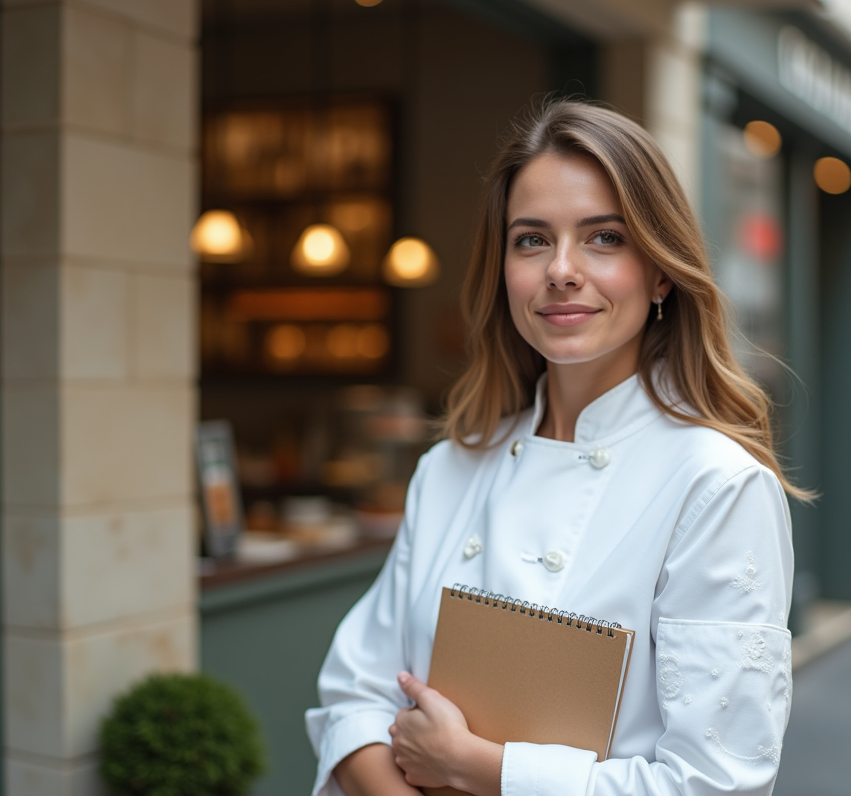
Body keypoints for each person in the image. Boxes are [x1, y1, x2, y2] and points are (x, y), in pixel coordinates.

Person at [305, 101, 805, 796]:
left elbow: (715, 783)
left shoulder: (714, 487)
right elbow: (350, 698)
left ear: (661, 272)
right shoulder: (451, 467)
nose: (562, 270)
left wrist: (475, 767)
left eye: (604, 238)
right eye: (532, 240)